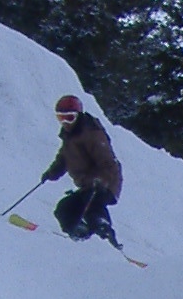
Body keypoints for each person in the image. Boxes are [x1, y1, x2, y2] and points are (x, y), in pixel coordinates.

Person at [41, 94, 122, 244]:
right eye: (61, 118)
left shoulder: (92, 134)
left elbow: (108, 162)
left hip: (106, 182)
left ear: (78, 116)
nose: (65, 123)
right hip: (89, 185)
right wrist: (51, 173)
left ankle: (106, 238)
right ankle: (80, 237)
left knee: (92, 206)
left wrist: (101, 181)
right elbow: (64, 158)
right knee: (64, 208)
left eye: (69, 118)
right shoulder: (70, 137)